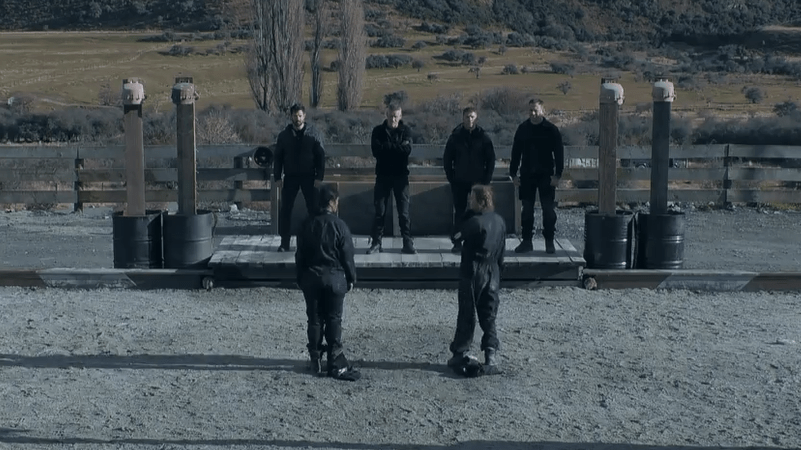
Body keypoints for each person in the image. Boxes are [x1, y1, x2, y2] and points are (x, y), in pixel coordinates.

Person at [295, 184, 360, 381]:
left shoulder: (307, 224)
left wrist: (300, 278)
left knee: (314, 319)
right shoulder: (340, 226)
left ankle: (314, 358)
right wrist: (351, 278)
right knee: (334, 318)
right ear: (333, 202)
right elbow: (347, 256)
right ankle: (334, 357)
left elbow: (300, 256)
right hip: (335, 278)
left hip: (311, 278)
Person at [447, 184, 506, 376]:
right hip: (493, 271)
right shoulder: (500, 221)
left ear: (480, 201)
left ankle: (460, 351)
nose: (469, 201)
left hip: (473, 271)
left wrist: (465, 214)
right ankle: (491, 356)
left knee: (467, 313)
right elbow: (502, 253)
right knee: (489, 315)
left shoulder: (475, 222)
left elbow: (455, 235)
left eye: (472, 198)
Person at [509, 98, 564, 254]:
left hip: (546, 175)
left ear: (542, 111)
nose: (533, 113)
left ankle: (549, 242)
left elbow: (559, 154)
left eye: (536, 110)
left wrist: (558, 175)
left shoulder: (551, 130)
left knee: (548, 210)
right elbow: (515, 153)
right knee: (526, 210)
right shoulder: (523, 129)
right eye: (530, 110)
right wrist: (513, 174)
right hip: (527, 174)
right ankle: (527, 242)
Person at [273, 103, 326, 252]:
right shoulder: (284, 136)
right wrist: (277, 177)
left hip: (310, 177)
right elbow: (278, 157)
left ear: (305, 116)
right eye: (295, 116)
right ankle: (284, 243)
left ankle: (315, 242)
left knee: (314, 209)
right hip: (290, 177)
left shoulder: (314, 134)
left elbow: (321, 156)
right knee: (285, 210)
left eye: (300, 115)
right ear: (291, 117)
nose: (297, 118)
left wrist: (319, 177)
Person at [443, 106, 496, 253]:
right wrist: (451, 178)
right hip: (459, 181)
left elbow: (491, 160)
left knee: (479, 213)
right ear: (463, 118)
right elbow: (447, 159)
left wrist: (486, 181)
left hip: (479, 182)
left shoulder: (483, 137)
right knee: (459, 212)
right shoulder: (455, 136)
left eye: (472, 117)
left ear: (476, 118)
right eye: (467, 117)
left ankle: (478, 241)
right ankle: (458, 241)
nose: (470, 119)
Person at [367, 103, 416, 255]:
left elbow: (406, 151)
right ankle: (376, 242)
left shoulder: (406, 131)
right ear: (386, 115)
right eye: (391, 115)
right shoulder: (378, 131)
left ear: (400, 116)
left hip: (401, 177)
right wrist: (396, 147)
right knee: (379, 211)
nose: (393, 119)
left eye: (396, 116)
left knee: (404, 212)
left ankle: (407, 241)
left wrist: (387, 147)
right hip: (383, 176)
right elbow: (376, 151)